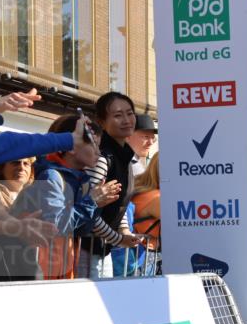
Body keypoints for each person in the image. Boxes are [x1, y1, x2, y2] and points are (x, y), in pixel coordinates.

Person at [14, 114, 101, 280]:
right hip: (39, 270)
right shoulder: (51, 176)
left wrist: (98, 203)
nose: (98, 152)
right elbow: (58, 224)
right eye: (93, 144)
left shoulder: (81, 180)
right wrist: (92, 201)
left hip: (61, 269)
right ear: (71, 147)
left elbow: (82, 229)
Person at [80, 92, 143, 278]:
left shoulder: (125, 156)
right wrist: (118, 239)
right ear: (101, 121)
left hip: (103, 249)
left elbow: (117, 203)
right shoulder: (101, 157)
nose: (126, 120)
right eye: (117, 115)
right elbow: (87, 210)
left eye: (130, 113)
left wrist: (124, 231)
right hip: (85, 251)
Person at [128, 114, 158, 178]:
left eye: (153, 138)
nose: (151, 142)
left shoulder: (135, 162)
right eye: (146, 137)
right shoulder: (119, 163)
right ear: (128, 136)